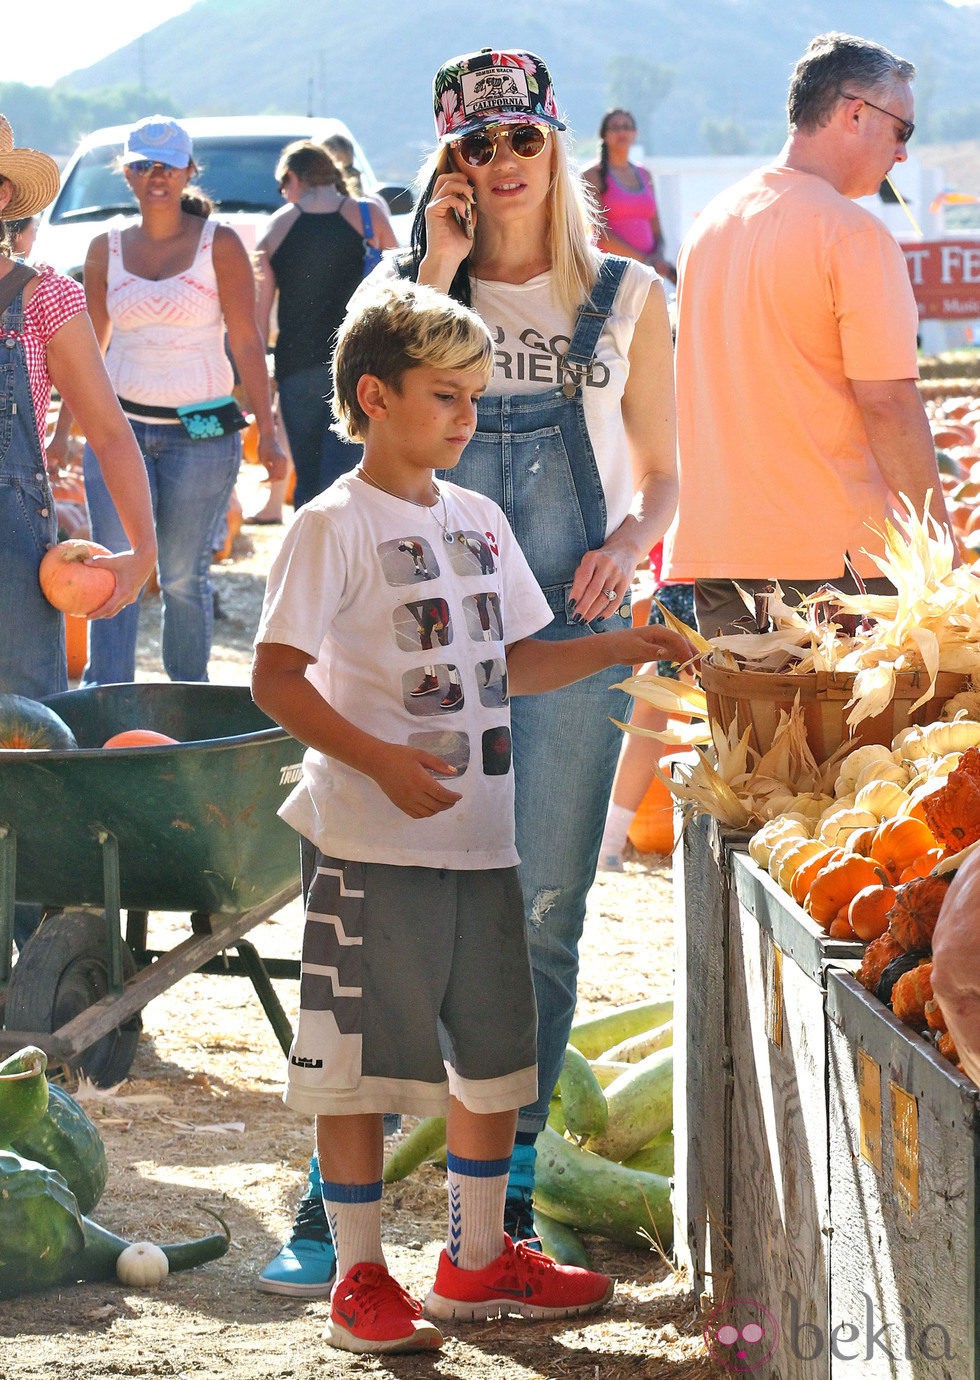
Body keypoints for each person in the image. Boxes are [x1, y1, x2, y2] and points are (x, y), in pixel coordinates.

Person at [256, 46, 679, 1298]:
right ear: (447, 161)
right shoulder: (403, 286)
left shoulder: (631, 295)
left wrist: (623, 546)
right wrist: (430, 266)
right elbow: (352, 410)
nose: (500, 166)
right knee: (378, 930)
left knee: (538, 918)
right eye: (473, 147)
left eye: (520, 141)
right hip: (401, 656)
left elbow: (661, 471)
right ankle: (335, 1221)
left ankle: (503, 1218)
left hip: (554, 636)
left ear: (558, 149)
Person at [661, 32, 957, 637]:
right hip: (837, 563)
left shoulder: (711, 225)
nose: (902, 154)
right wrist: (939, 542)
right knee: (860, 736)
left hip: (721, 555)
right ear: (855, 113)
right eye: (903, 131)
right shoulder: (852, 235)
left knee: (747, 734)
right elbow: (889, 401)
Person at [0, 113, 156, 947]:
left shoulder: (44, 298)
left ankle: (31, 944)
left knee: (25, 742)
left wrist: (143, 547)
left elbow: (107, 428)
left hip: (15, 556)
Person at [58, 114, 285, 685]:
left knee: (184, 575)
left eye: (168, 165)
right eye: (143, 165)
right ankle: (106, 696)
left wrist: (271, 431)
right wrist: (64, 429)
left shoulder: (222, 244)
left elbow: (246, 340)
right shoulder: (104, 248)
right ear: (127, 174)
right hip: (121, 431)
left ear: (188, 171)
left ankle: (188, 696)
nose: (156, 176)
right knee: (114, 567)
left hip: (203, 427)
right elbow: (88, 347)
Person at [253, 140, 396, 513]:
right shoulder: (369, 216)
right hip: (363, 364)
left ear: (293, 178)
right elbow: (406, 289)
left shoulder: (276, 227)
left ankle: (312, 556)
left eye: (281, 186)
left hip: (297, 366)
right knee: (352, 476)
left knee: (309, 473)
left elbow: (258, 319)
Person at [583, 109, 675, 281]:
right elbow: (600, 233)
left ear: (635, 133)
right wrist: (644, 261)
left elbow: (657, 230)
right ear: (603, 134)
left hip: (646, 275)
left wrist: (658, 257)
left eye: (626, 127)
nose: (622, 132)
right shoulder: (591, 175)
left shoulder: (644, 174)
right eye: (615, 127)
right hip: (608, 273)